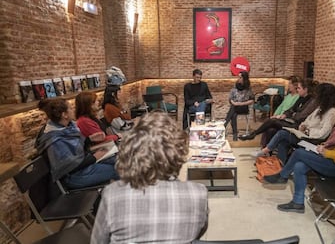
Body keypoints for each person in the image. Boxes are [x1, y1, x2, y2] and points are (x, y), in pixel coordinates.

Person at [91, 112, 209, 244]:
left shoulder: (112, 195)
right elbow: (198, 232)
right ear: (178, 151)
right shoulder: (198, 193)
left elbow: (98, 241)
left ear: (132, 149)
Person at [263, 95, 335, 214]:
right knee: (299, 166)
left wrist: (328, 153)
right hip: (334, 161)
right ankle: (297, 203)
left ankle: (282, 176)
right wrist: (325, 146)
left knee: (299, 153)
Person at [35, 98, 118, 189]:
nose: (73, 110)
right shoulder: (55, 141)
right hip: (73, 176)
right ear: (64, 115)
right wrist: (94, 157)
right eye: (70, 108)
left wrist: (89, 139)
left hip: (84, 162)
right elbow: (70, 166)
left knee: (117, 160)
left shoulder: (68, 126)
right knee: (120, 169)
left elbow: (76, 146)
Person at [255, 83, 335, 164]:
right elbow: (307, 120)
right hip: (303, 133)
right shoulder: (320, 109)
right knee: (282, 139)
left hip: (313, 139)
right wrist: (303, 126)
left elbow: (323, 134)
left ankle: (264, 150)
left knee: (282, 133)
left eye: (318, 96)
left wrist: (308, 131)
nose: (316, 98)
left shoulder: (332, 113)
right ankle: (280, 164)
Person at [239, 78, 319, 142]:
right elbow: (291, 109)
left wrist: (290, 116)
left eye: (299, 88)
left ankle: (253, 134)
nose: (297, 90)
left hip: (297, 126)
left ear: (306, 89)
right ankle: (266, 152)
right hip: (291, 121)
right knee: (271, 129)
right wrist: (284, 115)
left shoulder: (312, 101)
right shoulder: (301, 98)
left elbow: (300, 117)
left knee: (272, 121)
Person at [224, 71, 254, 141]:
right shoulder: (236, 85)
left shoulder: (248, 87)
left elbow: (252, 100)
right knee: (234, 113)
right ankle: (235, 135)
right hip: (235, 106)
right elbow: (230, 97)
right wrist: (233, 102)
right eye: (238, 77)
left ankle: (224, 124)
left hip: (244, 107)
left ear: (244, 78)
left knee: (233, 109)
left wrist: (240, 104)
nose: (238, 79)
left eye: (240, 77)